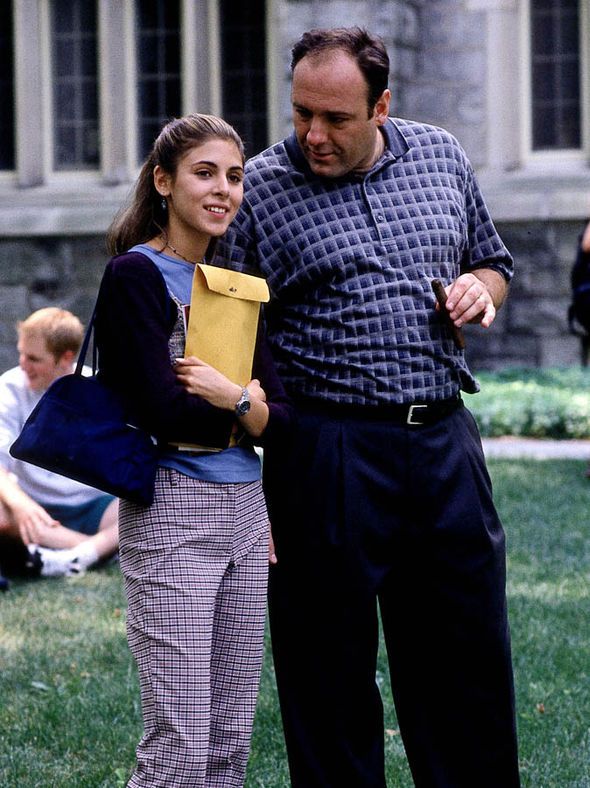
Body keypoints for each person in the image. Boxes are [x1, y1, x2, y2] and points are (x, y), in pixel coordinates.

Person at [217, 26, 521, 788]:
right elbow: (225, 344)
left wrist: (480, 290)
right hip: (325, 452)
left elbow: (493, 261)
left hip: (444, 442)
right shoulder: (257, 192)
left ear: (381, 106)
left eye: (336, 119)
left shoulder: (441, 155)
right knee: (327, 677)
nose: (313, 135)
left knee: (464, 666)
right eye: (300, 114)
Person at [94, 113, 292, 787]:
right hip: (175, 511)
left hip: (246, 511)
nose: (223, 190)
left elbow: (286, 420)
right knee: (180, 738)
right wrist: (249, 405)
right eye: (205, 173)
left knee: (230, 738)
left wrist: (231, 397)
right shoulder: (135, 277)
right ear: (163, 182)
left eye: (234, 177)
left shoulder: (233, 287)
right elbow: (161, 411)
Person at [0, 307, 119, 579]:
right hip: (32, 508)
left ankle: (72, 555)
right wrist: (21, 504)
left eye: (33, 358)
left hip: (93, 506)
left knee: (139, 507)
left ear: (65, 359)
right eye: (21, 353)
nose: (22, 364)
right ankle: (94, 552)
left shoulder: (96, 389)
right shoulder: (9, 388)